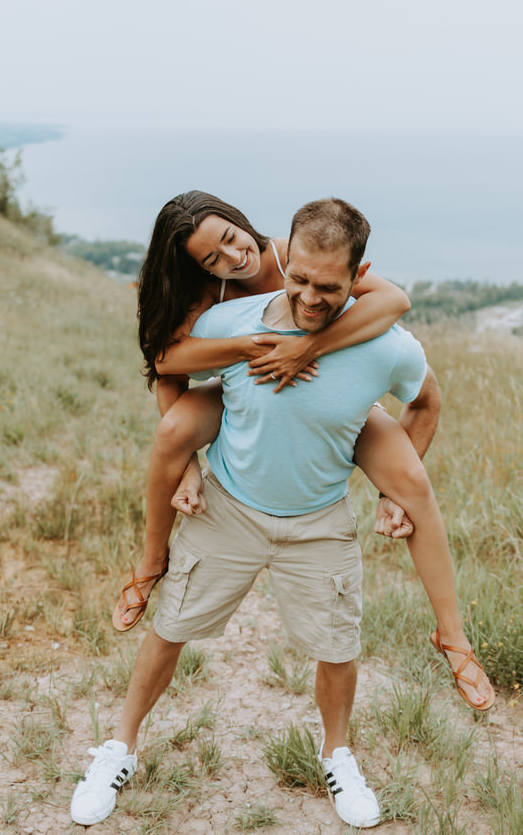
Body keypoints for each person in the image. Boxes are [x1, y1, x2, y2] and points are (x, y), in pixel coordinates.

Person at [72, 199, 494, 830]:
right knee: (169, 629)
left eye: (329, 286)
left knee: (338, 644)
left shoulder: (388, 344)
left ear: (359, 277)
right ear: (285, 262)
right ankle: (119, 747)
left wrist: (386, 496)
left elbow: (427, 399)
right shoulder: (225, 321)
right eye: (300, 279)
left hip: (319, 523)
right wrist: (188, 463)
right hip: (230, 511)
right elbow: (166, 370)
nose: (311, 296)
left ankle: (339, 753)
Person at [113, 191, 413, 634]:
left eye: (232, 238)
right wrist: (190, 464)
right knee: (175, 429)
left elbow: (394, 301)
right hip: (248, 387)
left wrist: (307, 347)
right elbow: (167, 365)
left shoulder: (297, 253)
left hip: (315, 391)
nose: (234, 257)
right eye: (213, 259)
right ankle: (152, 560)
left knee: (406, 467)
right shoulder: (207, 293)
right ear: (201, 267)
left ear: (239, 220)